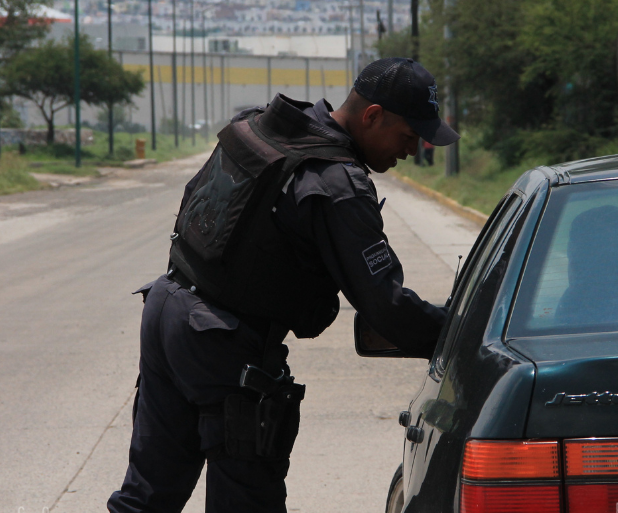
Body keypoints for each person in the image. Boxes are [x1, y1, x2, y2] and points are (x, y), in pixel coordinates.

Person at [107, 57, 460, 513]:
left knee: (147, 495)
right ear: (372, 116)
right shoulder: (338, 184)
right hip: (224, 341)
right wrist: (460, 334)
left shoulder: (262, 125)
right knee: (246, 501)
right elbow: (387, 306)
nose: (412, 150)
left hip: (166, 309)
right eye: (408, 136)